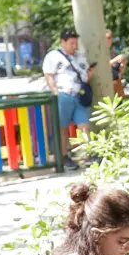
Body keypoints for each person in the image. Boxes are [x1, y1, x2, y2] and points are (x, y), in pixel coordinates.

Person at [42, 28, 91, 171]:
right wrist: (55, 92)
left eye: (76, 43)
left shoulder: (80, 56)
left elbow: (84, 74)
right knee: (62, 127)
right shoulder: (53, 56)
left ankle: (86, 154)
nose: (74, 46)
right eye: (71, 43)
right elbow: (49, 75)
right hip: (63, 94)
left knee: (84, 125)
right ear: (62, 42)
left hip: (79, 94)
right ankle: (64, 155)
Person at [106, 30, 129, 98]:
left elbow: (120, 72)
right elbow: (102, 66)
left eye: (110, 38)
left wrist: (123, 65)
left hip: (116, 85)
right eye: (107, 38)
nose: (109, 40)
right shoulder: (99, 53)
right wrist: (115, 60)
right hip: (106, 87)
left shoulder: (113, 53)